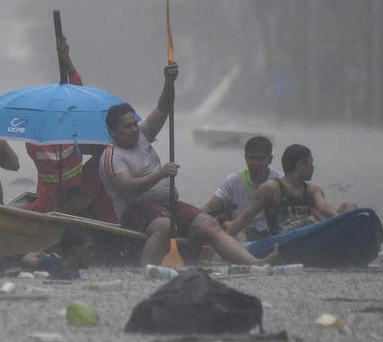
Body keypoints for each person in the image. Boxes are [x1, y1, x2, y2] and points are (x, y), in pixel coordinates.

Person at [99, 63, 277, 267]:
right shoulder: (112, 157)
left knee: (211, 224)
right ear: (114, 132)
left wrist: (169, 81)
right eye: (127, 126)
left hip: (168, 205)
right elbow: (128, 187)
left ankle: (255, 264)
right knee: (165, 225)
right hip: (135, 210)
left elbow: (164, 107)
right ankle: (146, 271)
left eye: (134, 124)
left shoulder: (142, 134)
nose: (134, 129)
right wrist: (160, 174)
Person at [223, 144, 358, 238]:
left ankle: (350, 236)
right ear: (300, 165)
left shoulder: (313, 190)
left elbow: (324, 207)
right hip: (281, 238)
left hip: (311, 230)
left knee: (350, 206)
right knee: (309, 221)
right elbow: (245, 218)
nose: (313, 167)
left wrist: (341, 222)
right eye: (310, 163)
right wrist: (225, 241)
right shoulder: (270, 189)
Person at [24, 37, 87, 213]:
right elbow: (79, 96)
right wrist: (67, 61)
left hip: (46, 205)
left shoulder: (32, 140)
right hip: (70, 201)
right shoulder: (73, 131)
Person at [199, 136, 283, 240]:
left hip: (274, 234)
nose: (256, 163)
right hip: (240, 233)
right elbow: (210, 207)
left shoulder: (280, 181)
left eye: (261, 159)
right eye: (252, 158)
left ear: (270, 159)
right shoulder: (233, 181)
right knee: (227, 225)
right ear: (245, 158)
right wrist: (190, 219)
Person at [21, 225, 94, 280]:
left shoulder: (51, 262)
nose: (92, 253)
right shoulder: (71, 276)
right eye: (89, 248)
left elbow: (26, 259)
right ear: (75, 248)